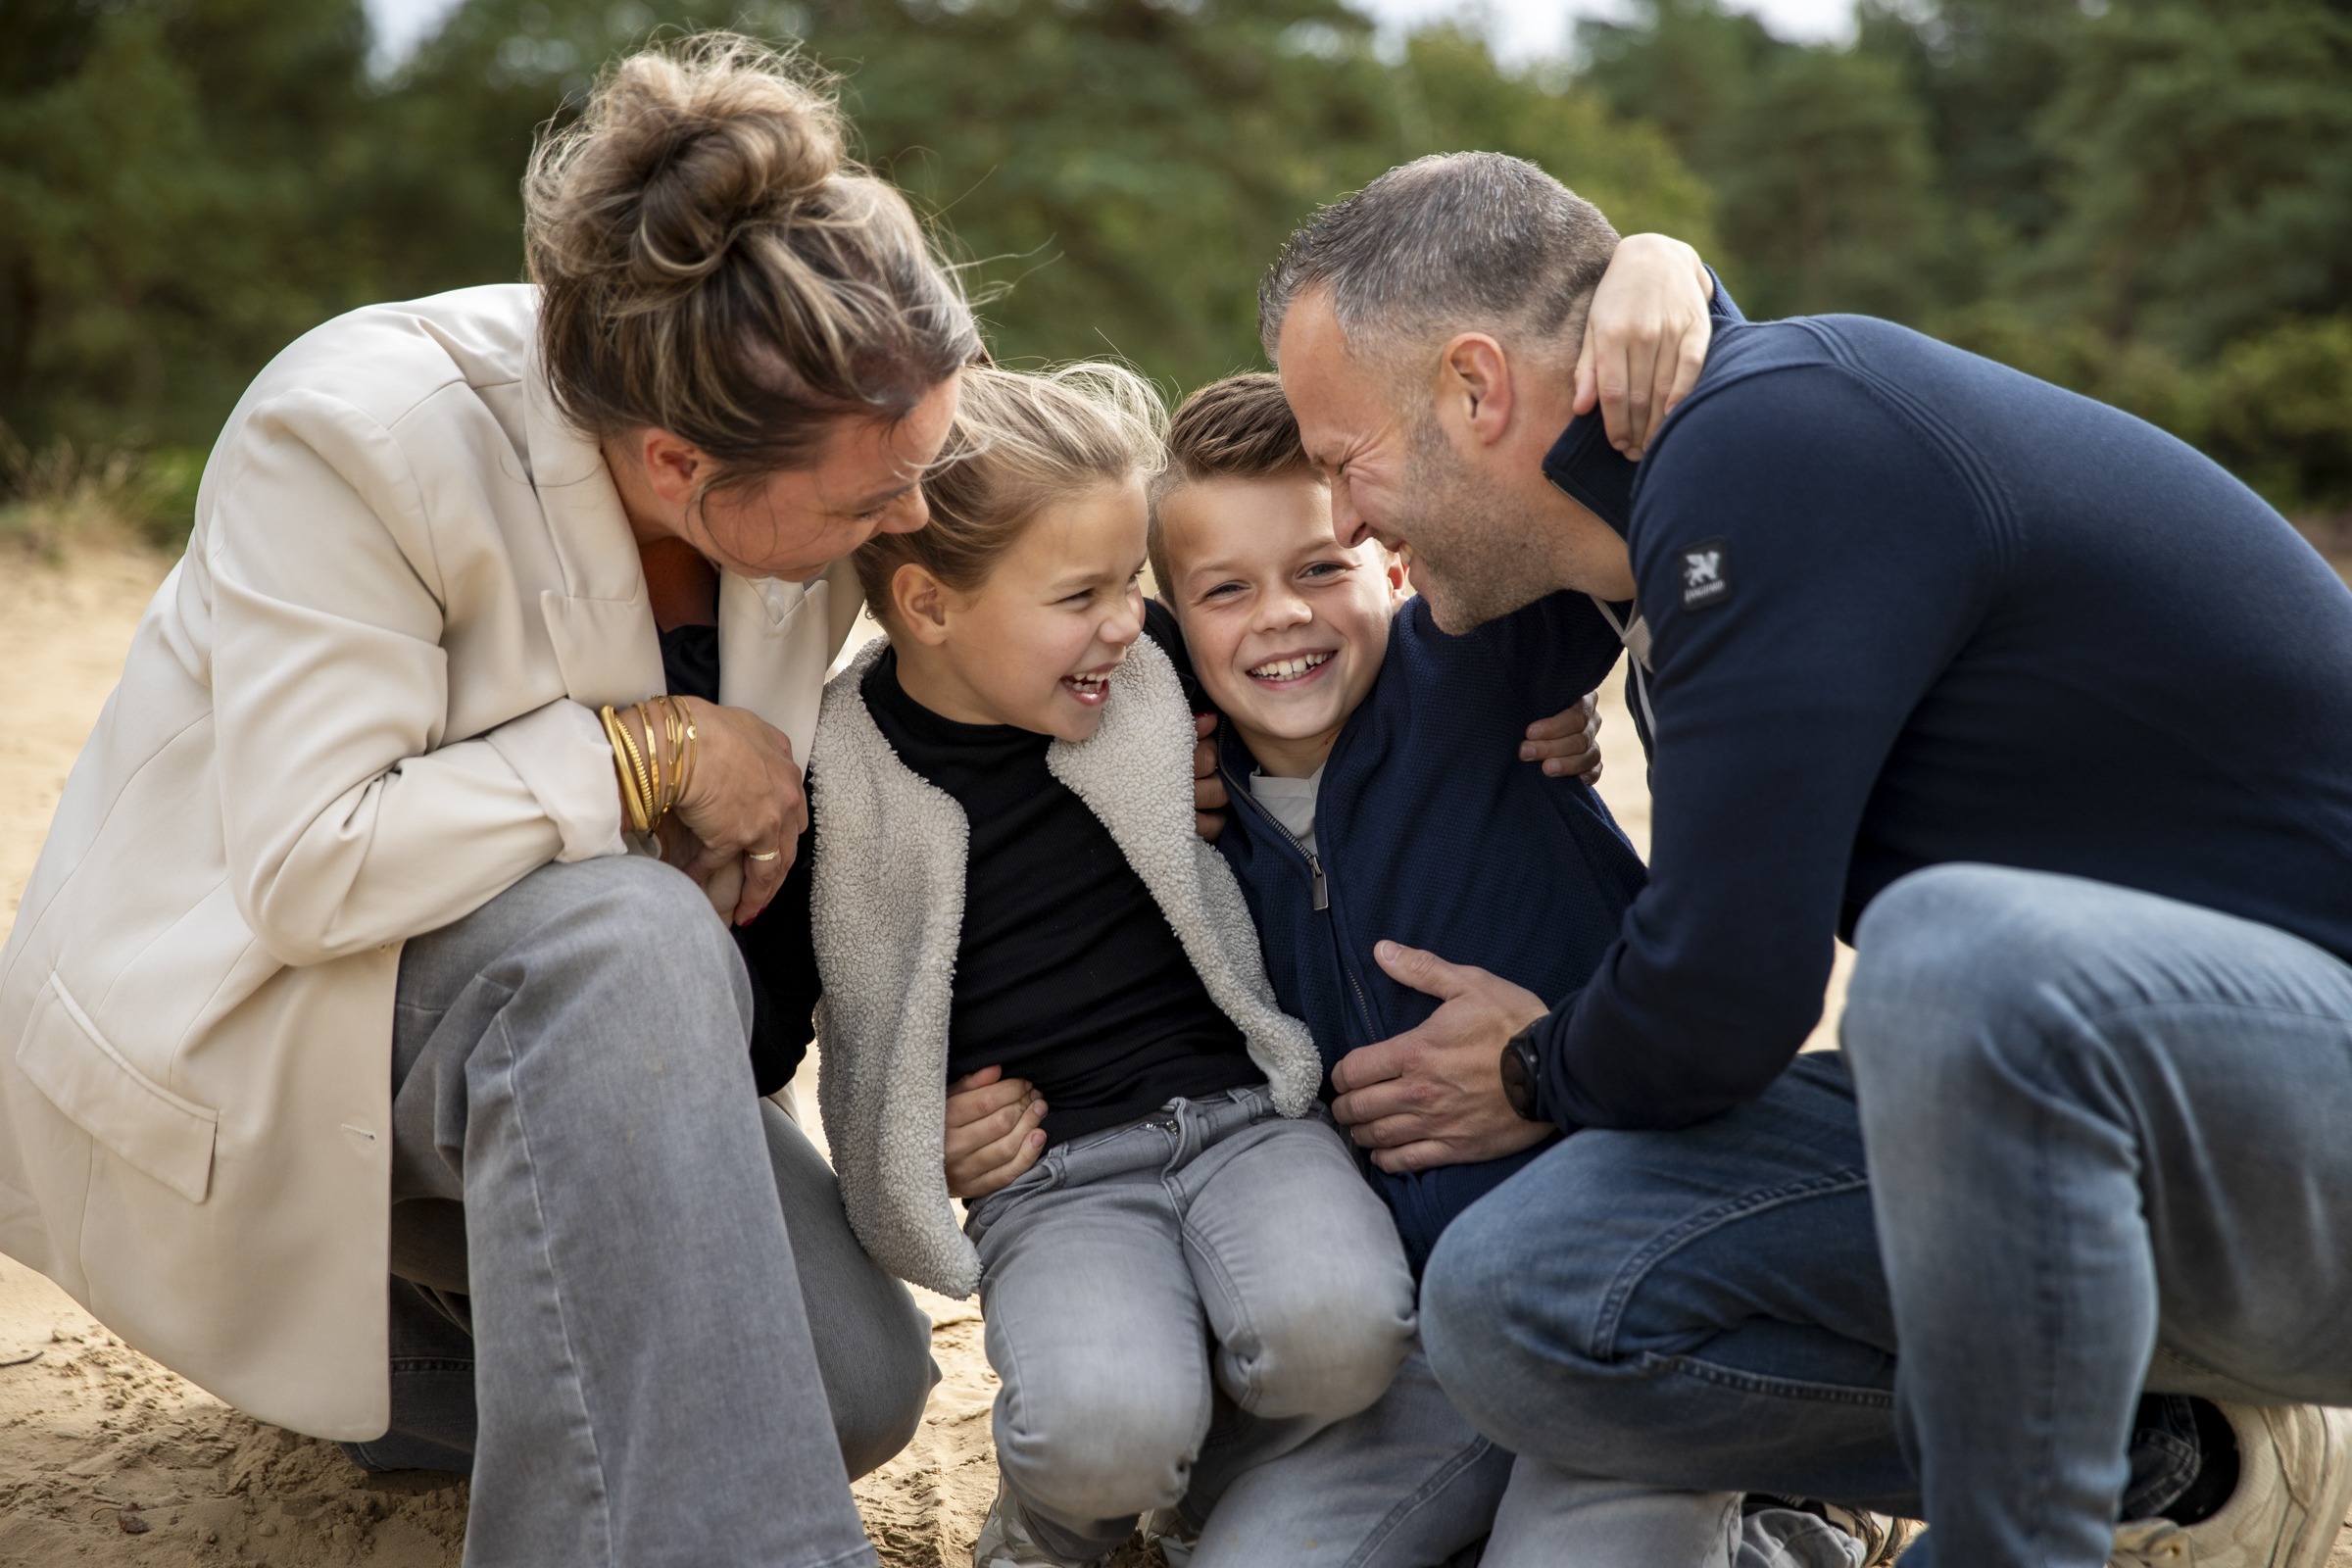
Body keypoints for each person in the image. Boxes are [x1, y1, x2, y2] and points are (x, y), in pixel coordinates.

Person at [1260, 148, 2352, 1568]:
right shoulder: (1642, 515)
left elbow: (1731, 990)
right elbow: (1400, 671)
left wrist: (1536, 1070)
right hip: (2105, 1159)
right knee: (1520, 1296)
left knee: (1958, 956)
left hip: (2304, 1119)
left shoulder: (1773, 448)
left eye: (1346, 462)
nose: (1340, 520)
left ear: (1477, 390)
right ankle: (2184, 1479)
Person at [0, 36, 969, 1567]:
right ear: (677, 463)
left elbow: (1067, 543)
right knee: (625, 934)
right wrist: (654, 750)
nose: (912, 518)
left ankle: (402, 1359)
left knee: (845, 1387)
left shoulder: (852, 421)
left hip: (553, 1075)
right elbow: (310, 867)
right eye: (871, 503)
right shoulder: (357, 433)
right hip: (263, 1027)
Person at [1128, 370, 1904, 1568]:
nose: (1282, 616)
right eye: (1226, 590)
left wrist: (1662, 285)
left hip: (1623, 1286)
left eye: (1322, 566)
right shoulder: (1177, 786)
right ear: (1172, 623)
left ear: (1394, 562)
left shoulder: (1475, 665)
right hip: (1431, 1343)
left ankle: (1783, 1518)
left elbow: (1628, 486)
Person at [800, 363, 1417, 1568]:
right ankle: (1056, 1523)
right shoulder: (835, 772)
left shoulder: (1153, 675)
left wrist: (1547, 710)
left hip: (1250, 1116)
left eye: (1134, 581)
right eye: (1083, 593)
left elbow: (1349, 658)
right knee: (1104, 1433)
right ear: (926, 607)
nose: (1129, 619)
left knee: (1344, 1335)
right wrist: (912, 1130)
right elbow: (795, 1015)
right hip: (1055, 1174)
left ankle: (1214, 1497)